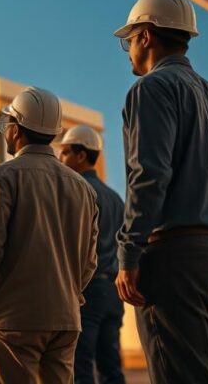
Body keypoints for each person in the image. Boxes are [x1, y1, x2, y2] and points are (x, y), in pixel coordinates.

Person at [111, 0, 208, 384]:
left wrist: (129, 253)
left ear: (146, 35)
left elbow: (149, 176)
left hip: (177, 260)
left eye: (128, 40)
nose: (128, 50)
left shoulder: (151, 89)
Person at [0, 86, 100, 384]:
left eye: (7, 124)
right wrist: (68, 294)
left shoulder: (2, 177)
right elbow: (90, 260)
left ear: (16, 129)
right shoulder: (84, 189)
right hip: (65, 320)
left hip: (14, 318)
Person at [59, 125, 126, 384]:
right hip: (113, 291)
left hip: (87, 290)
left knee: (81, 365)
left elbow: (72, 244)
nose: (61, 159)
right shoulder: (115, 198)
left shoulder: (77, 191)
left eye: (65, 152)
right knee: (111, 366)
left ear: (81, 155)